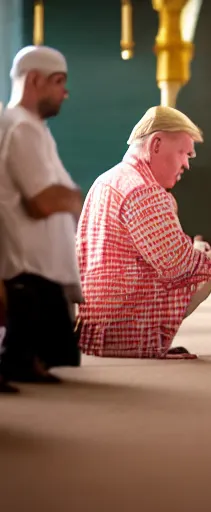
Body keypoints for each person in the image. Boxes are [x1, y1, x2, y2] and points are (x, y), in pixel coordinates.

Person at [76, 106, 211, 360]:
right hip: (125, 329)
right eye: (184, 153)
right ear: (156, 145)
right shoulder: (143, 189)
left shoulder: (106, 179)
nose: (186, 164)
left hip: (95, 325)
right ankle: (146, 343)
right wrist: (209, 257)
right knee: (206, 270)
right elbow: (177, 265)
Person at [0, 45, 83, 390]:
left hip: (39, 266)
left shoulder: (33, 127)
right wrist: (75, 198)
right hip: (27, 266)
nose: (65, 92)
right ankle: (17, 359)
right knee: (41, 334)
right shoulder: (20, 128)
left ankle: (23, 359)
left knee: (56, 348)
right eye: (58, 82)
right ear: (34, 80)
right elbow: (42, 202)